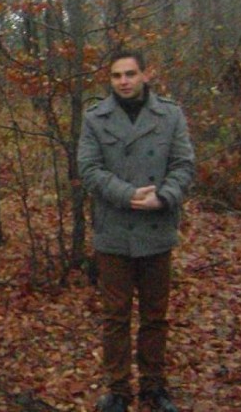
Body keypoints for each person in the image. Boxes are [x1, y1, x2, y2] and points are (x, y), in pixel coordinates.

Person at [78, 49, 195, 412]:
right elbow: (88, 168)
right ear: (109, 80)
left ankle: (154, 387)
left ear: (146, 74)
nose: (124, 81)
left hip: (156, 229)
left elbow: (184, 164)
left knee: (155, 315)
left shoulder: (169, 115)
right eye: (116, 76)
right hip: (114, 230)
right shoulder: (95, 118)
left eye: (130, 74)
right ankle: (117, 390)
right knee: (115, 316)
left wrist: (164, 196)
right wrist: (127, 195)